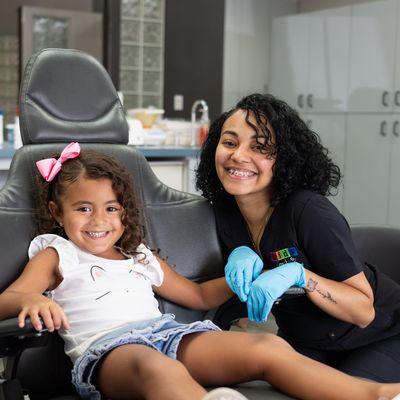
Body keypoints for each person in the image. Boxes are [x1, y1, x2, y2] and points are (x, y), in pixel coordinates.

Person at [0, 143, 399, 400]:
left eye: (111, 208)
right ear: (57, 213)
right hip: (112, 352)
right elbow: (6, 300)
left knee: (267, 348)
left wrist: (248, 269)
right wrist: (32, 298)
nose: (98, 220)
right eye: (83, 208)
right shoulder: (57, 255)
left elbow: (198, 298)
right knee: (154, 367)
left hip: (170, 335)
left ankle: (377, 395)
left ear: (124, 214)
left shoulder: (139, 256)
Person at [196, 93, 400, 384]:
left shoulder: (308, 211)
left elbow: (363, 310)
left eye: (260, 147)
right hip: (306, 337)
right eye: (229, 143)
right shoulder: (226, 210)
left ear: (285, 158)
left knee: (345, 393)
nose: (238, 155)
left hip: (380, 334)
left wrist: (301, 276)